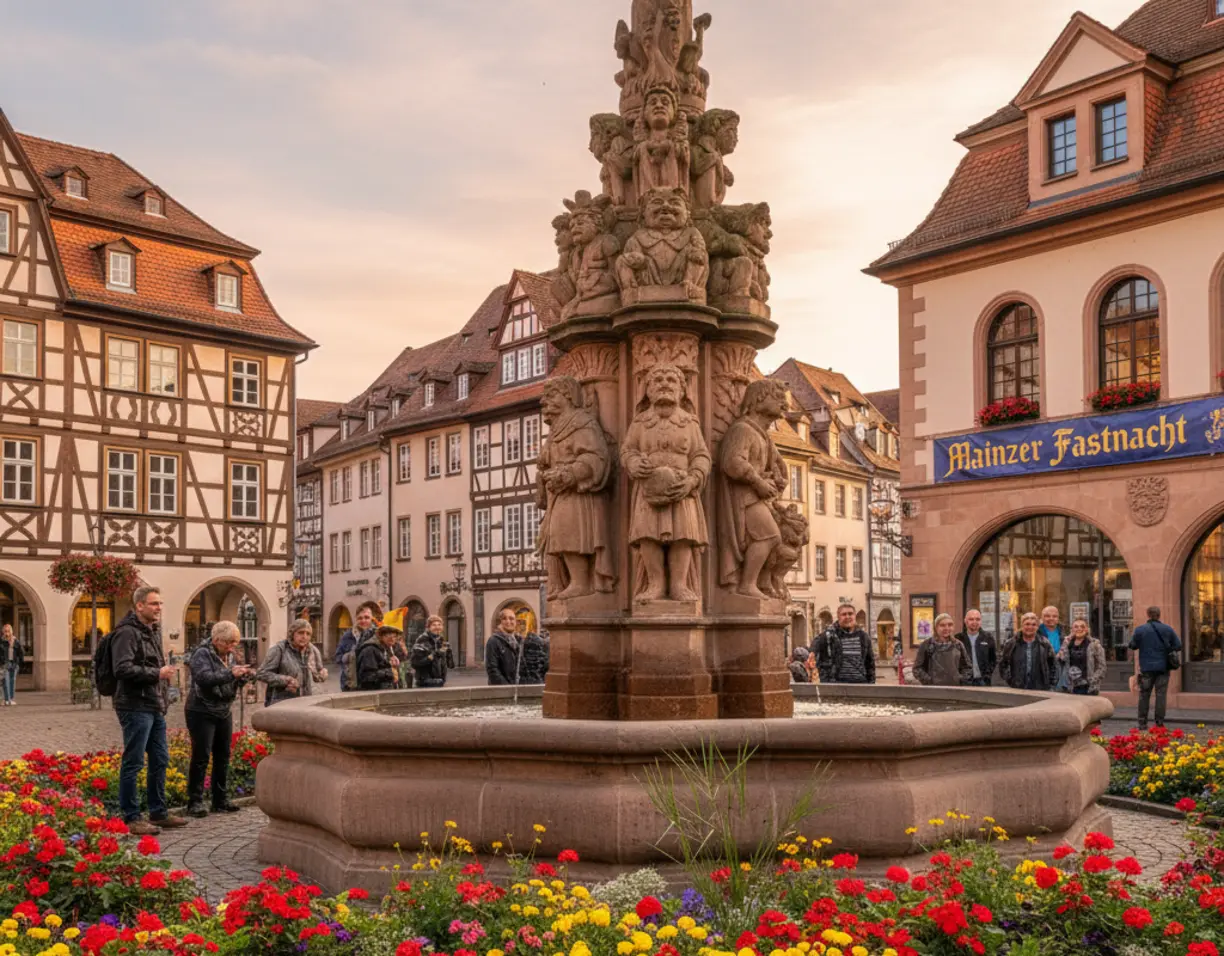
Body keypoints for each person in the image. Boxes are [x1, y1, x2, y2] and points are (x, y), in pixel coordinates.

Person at [110, 586, 187, 835]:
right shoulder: (126, 633)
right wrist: (157, 673)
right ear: (139, 606)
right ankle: (131, 817)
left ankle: (158, 813)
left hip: (153, 705)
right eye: (154, 604)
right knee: (133, 762)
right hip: (134, 705)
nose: (159, 608)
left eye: (160, 604)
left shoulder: (150, 631)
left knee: (160, 759)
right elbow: (121, 669)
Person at [185, 622, 255, 817]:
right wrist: (230, 673)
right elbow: (203, 678)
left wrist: (241, 677)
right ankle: (195, 801)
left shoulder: (230, 655)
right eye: (229, 643)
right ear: (216, 640)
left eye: (235, 643)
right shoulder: (202, 654)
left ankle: (220, 798)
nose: (232, 647)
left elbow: (228, 678)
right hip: (201, 709)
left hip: (223, 709)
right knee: (201, 756)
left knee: (223, 755)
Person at [1128, 606, 1183, 730]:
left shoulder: (1140, 630)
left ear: (1148, 615)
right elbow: (1178, 645)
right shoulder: (1167, 629)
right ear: (1159, 615)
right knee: (1161, 695)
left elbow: (1132, 645)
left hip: (1146, 668)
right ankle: (1159, 722)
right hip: (1163, 667)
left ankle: (1142, 723)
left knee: (1144, 695)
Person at [258, 621, 328, 705]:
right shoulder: (279, 650)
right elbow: (261, 673)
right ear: (292, 633)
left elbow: (317, 674)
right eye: (300, 632)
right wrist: (285, 680)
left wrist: (322, 674)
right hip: (283, 703)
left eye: (308, 634)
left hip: (307, 702)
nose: (304, 636)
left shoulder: (313, 651)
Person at [811, 604, 875, 684]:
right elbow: (813, 655)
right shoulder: (828, 635)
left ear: (855, 616)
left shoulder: (864, 637)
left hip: (860, 684)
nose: (847, 617)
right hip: (836, 685)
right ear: (838, 617)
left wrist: (871, 684)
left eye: (850, 614)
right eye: (844, 614)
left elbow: (870, 664)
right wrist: (825, 680)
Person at [999, 612, 1057, 691]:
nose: (1030, 627)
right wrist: (1010, 681)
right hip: (1016, 689)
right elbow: (1003, 664)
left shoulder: (1044, 643)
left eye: (1033, 625)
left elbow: (1053, 665)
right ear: (1022, 625)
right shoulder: (1011, 643)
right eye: (1027, 624)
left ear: (1037, 627)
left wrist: (1051, 686)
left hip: (1040, 688)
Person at [913, 614, 972, 687]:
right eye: (942, 625)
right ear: (936, 627)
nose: (946, 628)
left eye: (950, 625)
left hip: (955, 690)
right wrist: (929, 681)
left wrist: (961, 680)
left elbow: (967, 667)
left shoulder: (958, 645)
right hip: (933, 690)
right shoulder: (926, 645)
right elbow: (917, 668)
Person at [1056, 619, 1106, 696]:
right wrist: (1065, 643)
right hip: (1070, 687)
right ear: (1072, 629)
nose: (1079, 629)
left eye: (1082, 626)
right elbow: (1060, 659)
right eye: (1076, 627)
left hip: (1087, 687)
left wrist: (1092, 680)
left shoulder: (1095, 645)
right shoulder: (1068, 643)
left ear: (1087, 629)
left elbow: (1102, 667)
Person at [335, 606, 376, 692]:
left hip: (373, 684)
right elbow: (338, 656)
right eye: (360, 618)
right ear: (356, 620)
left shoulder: (377, 635)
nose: (363, 621)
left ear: (372, 618)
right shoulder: (348, 636)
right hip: (350, 684)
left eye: (366, 617)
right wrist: (349, 657)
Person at [955, 610, 997, 687]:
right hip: (964, 682)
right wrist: (960, 677)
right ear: (965, 621)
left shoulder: (988, 638)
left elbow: (993, 660)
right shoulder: (958, 639)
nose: (975, 622)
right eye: (971, 619)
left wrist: (988, 675)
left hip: (983, 682)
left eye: (977, 619)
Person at [411, 616, 455, 689]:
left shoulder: (441, 641)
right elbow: (415, 663)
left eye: (439, 625)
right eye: (434, 625)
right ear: (428, 627)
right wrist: (435, 654)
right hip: (425, 681)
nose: (437, 627)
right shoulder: (422, 641)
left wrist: (449, 653)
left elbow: (451, 666)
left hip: (440, 681)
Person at [357, 624, 402, 691]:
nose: (393, 640)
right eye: (389, 636)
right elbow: (366, 677)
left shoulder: (387, 649)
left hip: (385, 693)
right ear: (381, 636)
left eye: (395, 637)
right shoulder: (370, 650)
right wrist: (390, 672)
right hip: (373, 695)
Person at [486, 608, 525, 685]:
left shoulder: (519, 641)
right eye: (504, 618)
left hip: (517, 689)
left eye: (511, 618)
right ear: (500, 622)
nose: (508, 621)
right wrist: (507, 688)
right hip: (501, 691)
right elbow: (492, 670)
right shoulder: (493, 641)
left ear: (516, 622)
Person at [0, 625, 24, 706]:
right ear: (3, 632)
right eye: (5, 631)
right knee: (5, 682)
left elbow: (21, 653)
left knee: (12, 681)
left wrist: (19, 663)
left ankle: (11, 699)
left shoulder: (16, 641)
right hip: (5, 664)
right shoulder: (1, 641)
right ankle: (7, 699)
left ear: (11, 631)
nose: (7, 633)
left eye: (8, 631)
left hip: (14, 664)